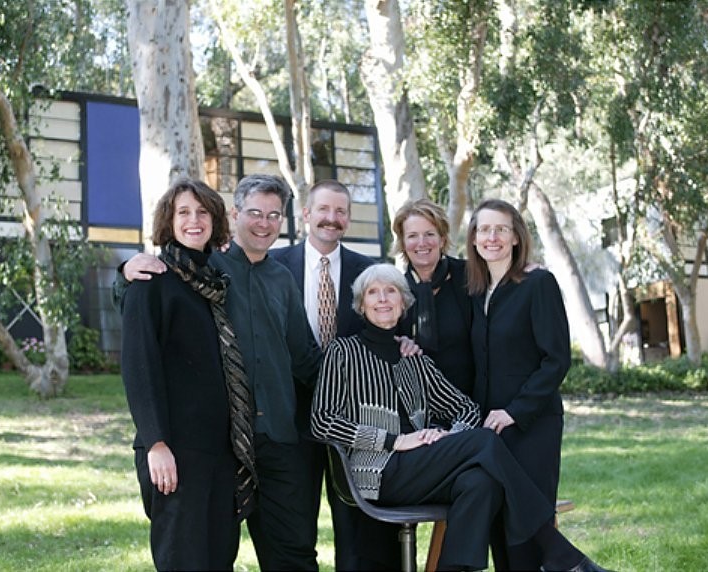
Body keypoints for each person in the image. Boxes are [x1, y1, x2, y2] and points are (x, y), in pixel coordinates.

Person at [311, 264, 609, 572]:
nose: (383, 299)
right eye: (373, 293)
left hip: (418, 467)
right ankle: (557, 550)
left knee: (481, 482)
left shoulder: (415, 361)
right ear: (362, 305)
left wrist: (446, 436)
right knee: (483, 440)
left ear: (403, 304)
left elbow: (466, 409)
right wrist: (396, 441)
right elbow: (322, 420)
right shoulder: (342, 352)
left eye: (391, 292)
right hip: (374, 472)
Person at [118, 175, 323, 570]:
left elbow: (305, 357)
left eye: (273, 215)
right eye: (255, 213)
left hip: (249, 444)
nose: (263, 223)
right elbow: (140, 358)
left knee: (243, 555)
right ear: (235, 214)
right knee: (188, 555)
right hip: (191, 445)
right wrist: (124, 268)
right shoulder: (171, 275)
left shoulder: (249, 280)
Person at [269, 180, 402, 570]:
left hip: (354, 420)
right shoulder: (273, 266)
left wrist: (405, 342)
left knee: (359, 529)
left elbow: (393, 322)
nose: (332, 218)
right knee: (295, 527)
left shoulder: (372, 271)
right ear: (306, 214)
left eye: (341, 211)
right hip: (292, 416)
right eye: (323, 210)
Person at [121, 179, 252, 570]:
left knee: (218, 559)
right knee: (183, 560)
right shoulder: (151, 282)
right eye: (184, 212)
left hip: (222, 452)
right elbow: (139, 368)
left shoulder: (215, 283)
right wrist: (156, 443)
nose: (194, 220)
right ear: (169, 221)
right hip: (174, 453)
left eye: (202, 212)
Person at [466, 198, 572, 571]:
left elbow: (556, 360)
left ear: (515, 237)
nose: (491, 236)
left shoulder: (538, 283)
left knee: (525, 534)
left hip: (531, 426)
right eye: (484, 229)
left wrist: (515, 411)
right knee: (499, 528)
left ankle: (563, 561)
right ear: (474, 238)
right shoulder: (476, 292)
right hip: (488, 429)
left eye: (501, 229)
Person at [392, 198, 474, 396]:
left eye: (429, 234)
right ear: (403, 243)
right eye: (412, 236)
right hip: (418, 402)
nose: (422, 243)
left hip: (471, 399)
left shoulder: (469, 276)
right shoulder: (394, 289)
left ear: (442, 239)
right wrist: (399, 342)